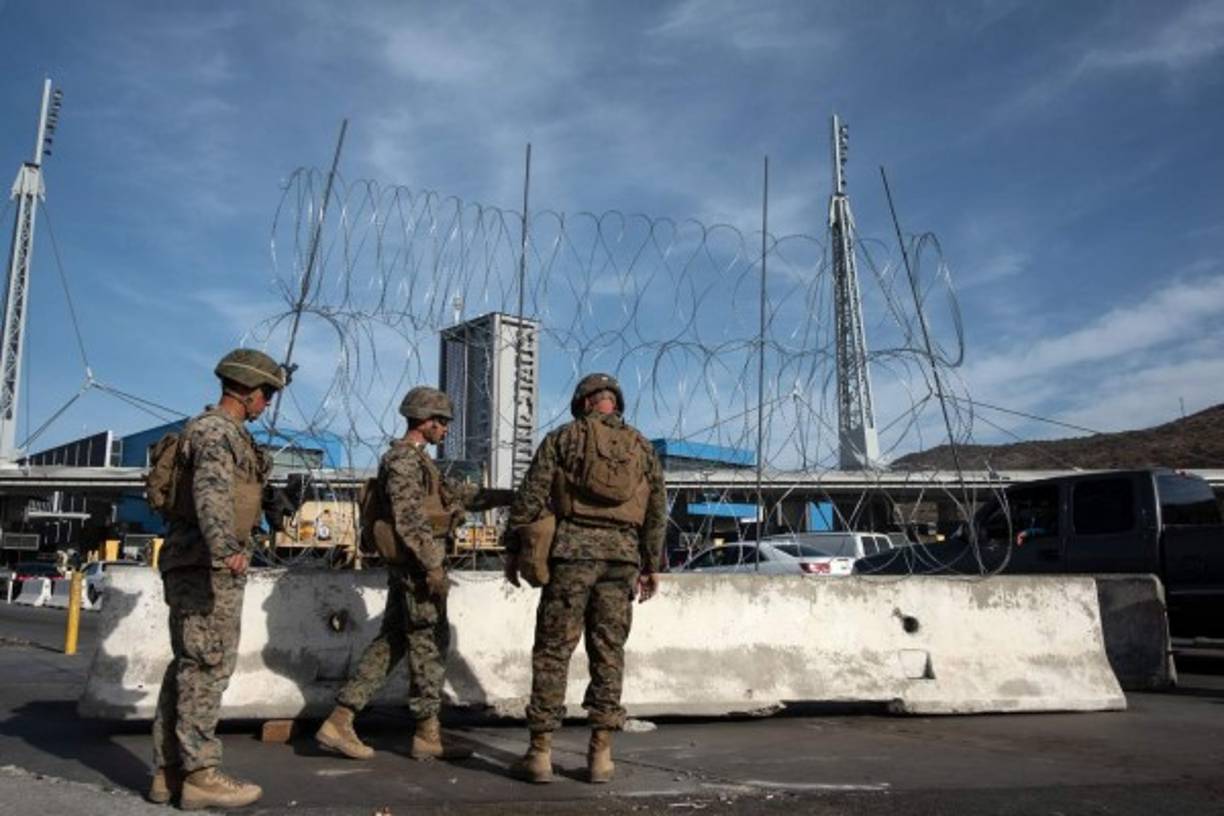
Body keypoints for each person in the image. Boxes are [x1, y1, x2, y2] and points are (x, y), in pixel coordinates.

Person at [315, 386, 512, 761]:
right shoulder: (403, 461)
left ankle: (341, 719)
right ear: (425, 421)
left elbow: (458, 496)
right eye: (442, 423)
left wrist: (510, 497)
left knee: (394, 641)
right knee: (429, 644)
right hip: (418, 569)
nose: (446, 430)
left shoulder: (421, 463)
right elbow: (410, 519)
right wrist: (431, 566)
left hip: (415, 567)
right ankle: (426, 734)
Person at [502, 373, 667, 784]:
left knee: (554, 651)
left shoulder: (564, 438)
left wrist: (513, 548)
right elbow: (656, 510)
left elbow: (531, 496)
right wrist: (650, 563)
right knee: (609, 652)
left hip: (571, 555)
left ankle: (540, 754)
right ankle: (601, 756)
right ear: (615, 402)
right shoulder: (642, 447)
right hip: (622, 559)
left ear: (583, 402)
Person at [149, 348, 288, 810]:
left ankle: (170, 773)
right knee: (206, 667)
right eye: (266, 393)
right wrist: (226, 547)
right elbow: (211, 492)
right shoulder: (215, 432)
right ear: (246, 391)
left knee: (189, 666)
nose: (267, 403)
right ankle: (201, 774)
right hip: (206, 565)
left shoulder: (228, 435)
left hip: (196, 560)